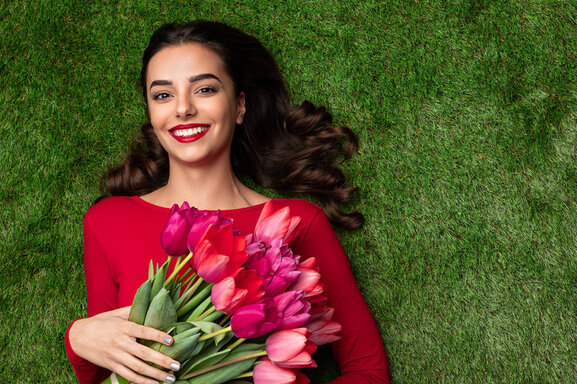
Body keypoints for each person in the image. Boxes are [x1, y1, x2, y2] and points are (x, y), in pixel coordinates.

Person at [65, 20, 390, 384]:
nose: (183, 108)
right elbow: (107, 370)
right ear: (151, 113)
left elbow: (368, 371)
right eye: (162, 95)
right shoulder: (108, 220)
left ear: (239, 106)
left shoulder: (297, 221)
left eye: (204, 89)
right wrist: (78, 338)